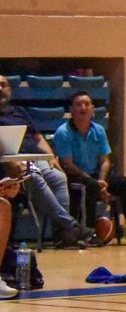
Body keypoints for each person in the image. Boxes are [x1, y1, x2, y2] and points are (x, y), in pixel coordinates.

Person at [52, 90, 126, 243]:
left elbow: (105, 160)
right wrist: (95, 183)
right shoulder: (63, 132)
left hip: (97, 177)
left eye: (87, 104)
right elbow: (68, 164)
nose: (83, 108)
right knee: (91, 185)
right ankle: (91, 233)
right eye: (79, 105)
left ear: (92, 109)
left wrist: (102, 181)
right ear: (71, 110)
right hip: (76, 177)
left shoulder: (98, 130)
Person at [0, 73, 88, 247]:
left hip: (32, 158)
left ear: (9, 89)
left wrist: (51, 157)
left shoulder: (19, 112)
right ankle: (70, 225)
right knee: (33, 176)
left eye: (4, 85)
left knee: (58, 177)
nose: (0, 89)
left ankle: (62, 235)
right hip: (7, 164)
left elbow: (38, 138)